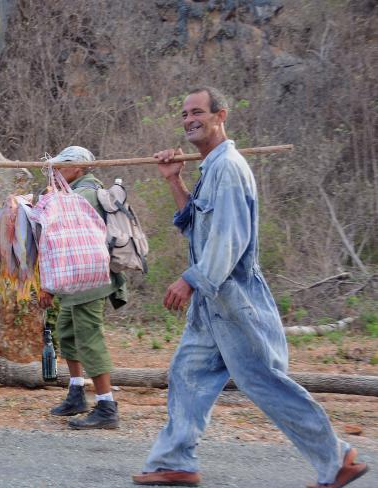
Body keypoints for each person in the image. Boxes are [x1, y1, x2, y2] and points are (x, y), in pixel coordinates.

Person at [131, 87, 368, 487]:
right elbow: (196, 225)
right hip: (213, 303)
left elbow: (228, 240)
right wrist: (175, 180)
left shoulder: (229, 168)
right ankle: (175, 461)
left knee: (265, 382)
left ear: (221, 116)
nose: (189, 119)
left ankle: (337, 458)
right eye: (185, 113)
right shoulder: (211, 169)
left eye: (198, 112)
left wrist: (190, 280)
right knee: (187, 374)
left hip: (235, 299)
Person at [39, 146, 128, 430]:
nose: (55, 171)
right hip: (78, 281)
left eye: (61, 166)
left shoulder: (83, 195)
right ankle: (77, 393)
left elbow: (60, 235)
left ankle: (106, 405)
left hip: (90, 281)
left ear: (77, 168)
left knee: (89, 339)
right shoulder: (72, 193)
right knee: (66, 331)